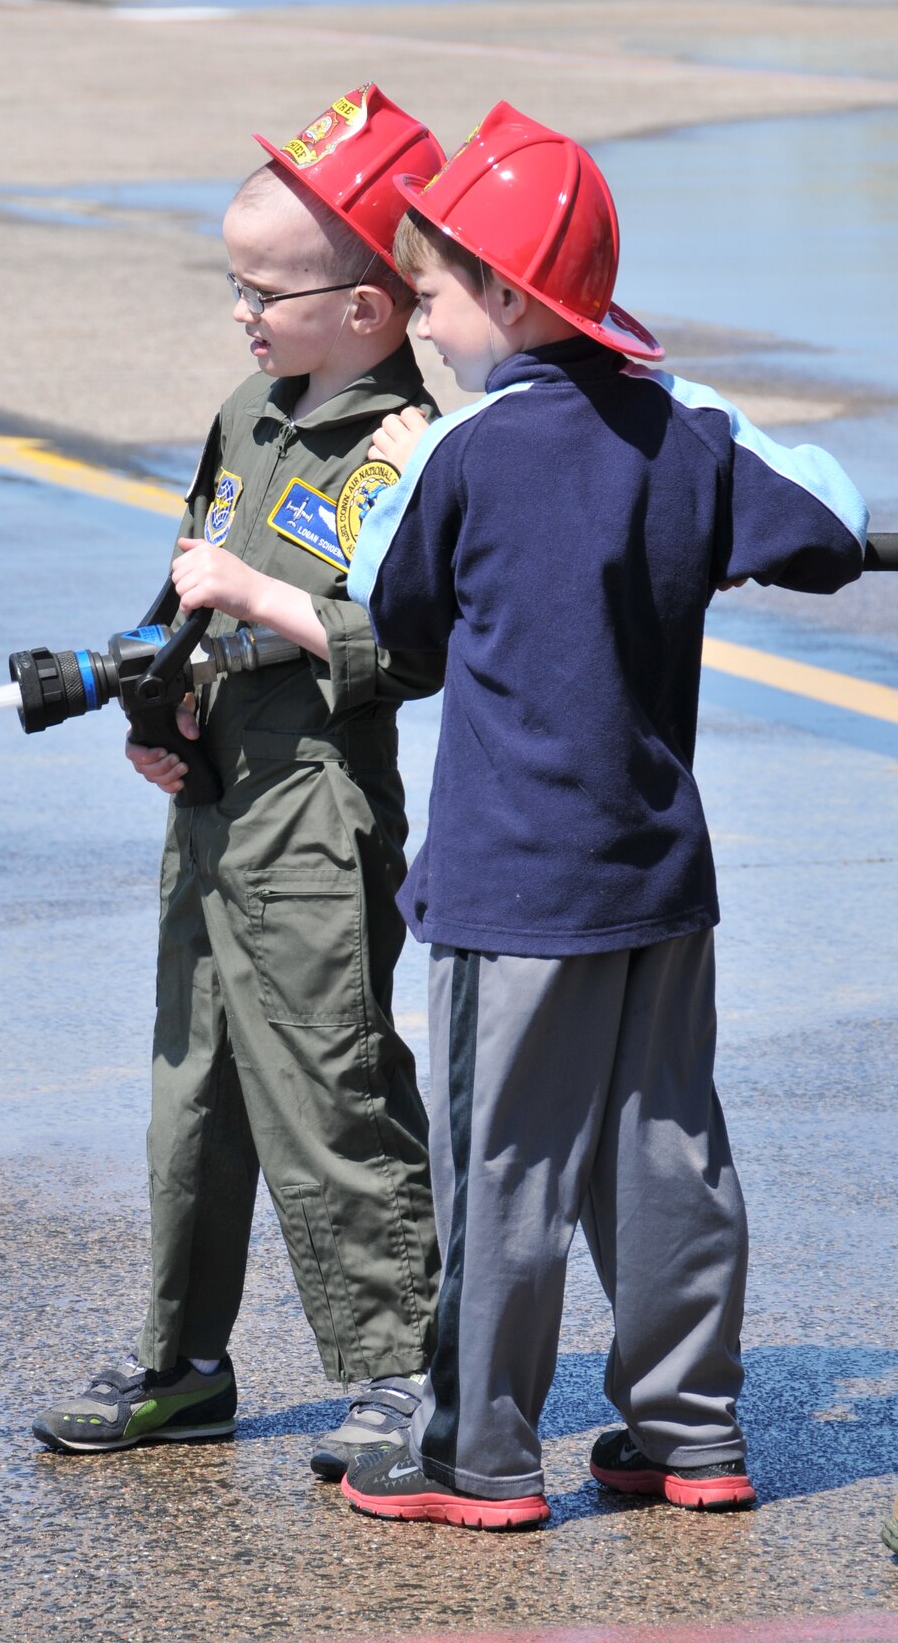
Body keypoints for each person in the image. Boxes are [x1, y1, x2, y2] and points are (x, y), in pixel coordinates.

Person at [334, 100, 868, 1529]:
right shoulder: (684, 436)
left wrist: (401, 477)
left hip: (514, 886)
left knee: (499, 1171)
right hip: (656, 875)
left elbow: (404, 627)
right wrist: (690, 405)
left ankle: (476, 1456)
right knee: (666, 1155)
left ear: (505, 295)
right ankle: (688, 1435)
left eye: (437, 294)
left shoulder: (467, 456)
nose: (428, 326)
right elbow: (824, 522)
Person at [33, 88, 447, 1478]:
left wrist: (260, 600)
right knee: (190, 1090)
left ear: (370, 312)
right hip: (214, 791)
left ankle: (401, 1377)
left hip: (313, 808)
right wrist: (153, 703)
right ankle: (185, 1361)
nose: (243, 313)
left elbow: (408, 647)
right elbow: (183, 584)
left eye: (267, 290)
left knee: (331, 1089)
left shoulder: (405, 454)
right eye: (235, 284)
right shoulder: (251, 410)